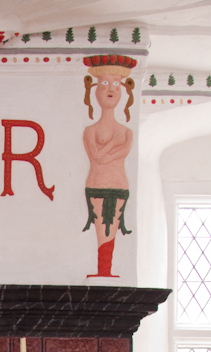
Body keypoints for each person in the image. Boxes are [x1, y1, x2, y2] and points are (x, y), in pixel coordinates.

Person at [82, 54, 136, 278]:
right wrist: (113, 143)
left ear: (123, 90)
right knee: (100, 229)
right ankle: (102, 272)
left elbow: (121, 154)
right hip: (95, 184)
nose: (110, 88)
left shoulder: (127, 132)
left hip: (118, 184)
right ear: (95, 90)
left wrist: (111, 149)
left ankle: (105, 273)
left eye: (116, 83)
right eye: (104, 83)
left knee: (111, 230)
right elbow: (97, 158)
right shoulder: (90, 131)